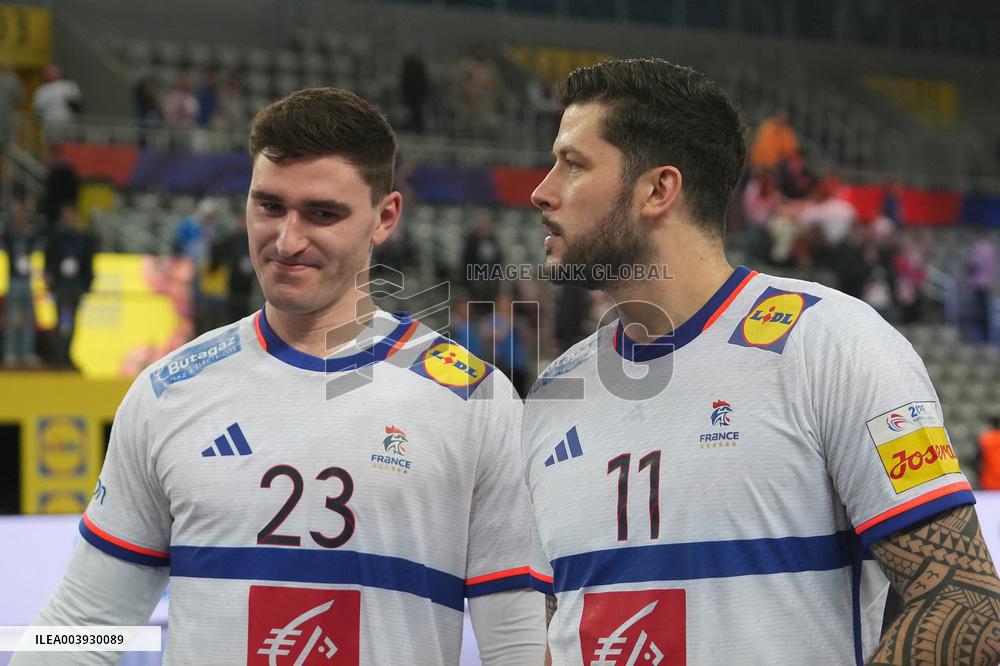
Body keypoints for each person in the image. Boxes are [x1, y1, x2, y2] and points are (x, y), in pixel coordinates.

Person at [14, 87, 544, 665]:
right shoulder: (169, 392)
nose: (287, 241)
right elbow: (87, 623)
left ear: (385, 216)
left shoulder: (475, 399)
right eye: (269, 206)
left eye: (322, 213)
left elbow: (517, 644)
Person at [523, 58, 999, 665]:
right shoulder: (554, 391)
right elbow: (546, 627)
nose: (542, 190)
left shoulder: (832, 344)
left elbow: (965, 606)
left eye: (573, 163)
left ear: (658, 190)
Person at [43, 205, 94, 368]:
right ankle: (60, 357)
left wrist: (87, 284)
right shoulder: (57, 236)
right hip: (62, 286)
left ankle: (65, 355)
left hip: (75, 286)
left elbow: (88, 260)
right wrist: (50, 277)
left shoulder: (82, 237)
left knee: (71, 323)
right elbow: (50, 257)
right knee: (64, 322)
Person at [2, 198, 42, 367]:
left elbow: (43, 230)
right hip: (14, 281)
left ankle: (26, 353)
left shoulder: (29, 236)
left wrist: (30, 210)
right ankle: (10, 353)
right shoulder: (10, 235)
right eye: (18, 217)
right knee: (13, 319)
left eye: (24, 218)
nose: (22, 221)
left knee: (28, 320)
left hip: (27, 282)